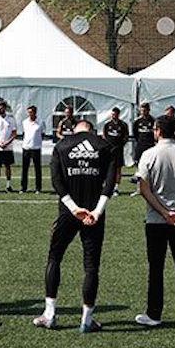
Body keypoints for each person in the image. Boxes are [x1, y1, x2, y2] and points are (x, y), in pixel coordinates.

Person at [32, 120, 113, 333]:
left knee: (54, 258)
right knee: (91, 266)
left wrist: (73, 208)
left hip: (68, 213)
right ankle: (87, 319)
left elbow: (56, 181)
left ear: (74, 129)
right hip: (94, 215)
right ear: (91, 130)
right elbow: (110, 183)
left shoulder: (62, 145)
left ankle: (50, 314)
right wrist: (97, 212)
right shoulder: (104, 146)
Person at [134, 115, 175, 327]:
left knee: (156, 268)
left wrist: (164, 212)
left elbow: (143, 188)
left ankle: (154, 314)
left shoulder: (149, 154)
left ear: (158, 131)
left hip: (156, 221)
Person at [0, 102, 17, 193]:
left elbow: (14, 133)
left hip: (8, 148)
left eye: (1, 108)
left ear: (5, 108)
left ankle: (8, 186)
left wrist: (7, 143)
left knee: (8, 166)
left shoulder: (11, 119)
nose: (0, 109)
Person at [102, 107, 129, 196]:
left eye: (115, 114)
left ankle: (116, 188)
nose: (113, 116)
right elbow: (104, 136)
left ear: (118, 114)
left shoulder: (123, 125)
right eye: (112, 114)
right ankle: (107, 186)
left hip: (118, 150)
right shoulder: (107, 124)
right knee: (107, 168)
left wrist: (120, 145)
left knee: (118, 169)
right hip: (109, 151)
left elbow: (126, 137)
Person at [21, 106, 44, 194]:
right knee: (24, 169)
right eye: (28, 112)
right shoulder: (24, 122)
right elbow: (24, 133)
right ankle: (23, 188)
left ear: (35, 112)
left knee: (37, 169)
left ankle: (38, 188)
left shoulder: (40, 122)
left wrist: (37, 142)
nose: (29, 114)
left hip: (36, 148)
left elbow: (42, 134)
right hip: (26, 148)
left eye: (31, 112)